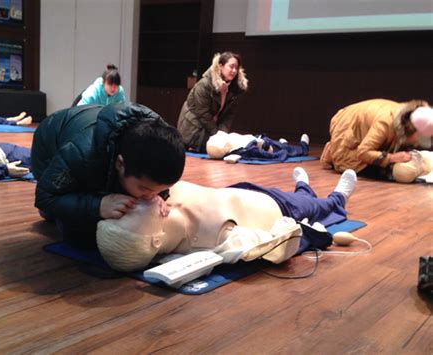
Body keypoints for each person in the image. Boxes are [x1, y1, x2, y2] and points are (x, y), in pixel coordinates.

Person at [96, 167, 357, 272]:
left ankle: (303, 186)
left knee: (303, 197)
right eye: (133, 214)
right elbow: (274, 244)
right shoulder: (213, 244)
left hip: (240, 190)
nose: (134, 203)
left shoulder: (153, 196)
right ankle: (338, 198)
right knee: (318, 206)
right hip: (279, 208)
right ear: (155, 241)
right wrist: (315, 234)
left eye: (124, 209)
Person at [31, 102, 186, 250]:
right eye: (144, 188)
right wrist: (97, 205)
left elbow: (156, 180)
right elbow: (45, 197)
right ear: (120, 164)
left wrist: (161, 196)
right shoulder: (81, 153)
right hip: (50, 139)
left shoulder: (163, 142)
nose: (150, 196)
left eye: (159, 190)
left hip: (93, 130)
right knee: (82, 239)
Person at [321, 98, 433, 179]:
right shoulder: (384, 124)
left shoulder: (411, 117)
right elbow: (363, 152)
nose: (419, 141)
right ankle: (332, 151)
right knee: (367, 168)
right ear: (411, 130)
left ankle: (333, 150)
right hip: (348, 124)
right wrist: (392, 158)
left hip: (366, 123)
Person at [177, 52, 248, 152]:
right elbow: (203, 114)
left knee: (232, 146)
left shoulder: (235, 88)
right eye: (231, 67)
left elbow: (229, 115)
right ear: (220, 66)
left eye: (236, 68)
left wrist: (222, 135)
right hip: (194, 128)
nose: (234, 71)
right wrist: (217, 135)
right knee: (221, 150)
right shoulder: (204, 84)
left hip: (212, 128)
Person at [206, 130, 309, 163]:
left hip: (261, 139)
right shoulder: (243, 150)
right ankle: (304, 146)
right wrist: (273, 151)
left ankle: (284, 144)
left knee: (282, 145)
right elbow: (264, 155)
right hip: (269, 146)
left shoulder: (231, 140)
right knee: (293, 150)